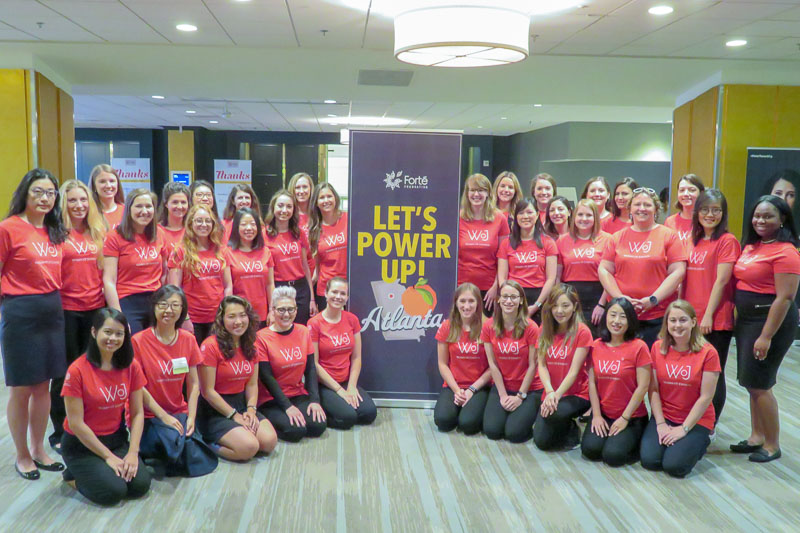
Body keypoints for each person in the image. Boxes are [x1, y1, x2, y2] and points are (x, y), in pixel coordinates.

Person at [0, 168, 68, 480]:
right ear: (25, 193)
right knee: (21, 388)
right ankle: (22, 454)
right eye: (38, 192)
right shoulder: (9, 228)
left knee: (45, 386)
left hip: (52, 310)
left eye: (50, 193)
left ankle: (39, 449)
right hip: (20, 311)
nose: (44, 198)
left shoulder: (55, 230)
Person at [730, 195, 800, 463]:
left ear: (782, 219)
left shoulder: (787, 252)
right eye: (757, 215)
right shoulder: (752, 246)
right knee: (751, 382)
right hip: (748, 322)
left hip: (769, 323)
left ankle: (772, 444)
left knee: (761, 384)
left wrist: (766, 336)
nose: (760, 220)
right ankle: (756, 436)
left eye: (768, 216)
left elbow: (784, 298)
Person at [60, 308, 151, 504]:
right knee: (113, 492)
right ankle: (72, 476)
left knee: (139, 486)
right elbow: (76, 423)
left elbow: (137, 413)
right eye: (107, 332)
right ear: (94, 332)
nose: (113, 338)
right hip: (82, 445)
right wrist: (108, 457)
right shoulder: (77, 370)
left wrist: (133, 452)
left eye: (119, 334)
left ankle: (100, 470)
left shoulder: (131, 366)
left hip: (116, 440)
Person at [132, 286, 215, 476]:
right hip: (148, 415)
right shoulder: (138, 341)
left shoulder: (188, 340)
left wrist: (192, 416)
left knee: (183, 438)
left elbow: (194, 384)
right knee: (179, 442)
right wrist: (163, 416)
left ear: (182, 310)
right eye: (163, 304)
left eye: (175, 305)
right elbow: (138, 387)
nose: (168, 310)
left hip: (179, 412)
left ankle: (167, 455)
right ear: (154, 307)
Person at [50, 179, 106, 452]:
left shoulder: (98, 231)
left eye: (83, 200)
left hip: (95, 309)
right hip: (67, 311)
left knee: (93, 370)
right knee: (66, 373)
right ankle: (60, 429)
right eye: (72, 200)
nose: (79, 205)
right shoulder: (57, 234)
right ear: (64, 203)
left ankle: (89, 424)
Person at [599, 187, 687, 347]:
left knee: (654, 366)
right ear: (630, 209)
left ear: (656, 209)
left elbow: (678, 271)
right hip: (622, 316)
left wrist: (653, 299)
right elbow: (605, 269)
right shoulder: (616, 238)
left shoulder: (669, 236)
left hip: (657, 315)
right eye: (637, 205)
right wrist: (620, 298)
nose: (642, 209)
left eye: (647, 205)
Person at [640, 300, 720, 478]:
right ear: (666, 323)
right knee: (650, 461)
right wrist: (660, 423)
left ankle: (702, 440)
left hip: (695, 420)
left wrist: (683, 429)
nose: (677, 325)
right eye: (673, 320)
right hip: (666, 416)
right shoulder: (657, 348)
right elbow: (653, 390)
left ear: (693, 322)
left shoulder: (708, 353)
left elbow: (706, 397)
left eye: (683, 320)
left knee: (674, 467)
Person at [683, 189, 739, 428]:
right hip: (689, 318)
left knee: (713, 374)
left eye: (716, 210)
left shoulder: (727, 241)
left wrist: (707, 315)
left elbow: (722, 281)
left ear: (723, 213)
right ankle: (695, 420)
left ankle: (710, 425)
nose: (710, 214)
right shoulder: (692, 240)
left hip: (714, 320)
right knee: (693, 372)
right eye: (705, 209)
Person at [197, 296, 278, 461]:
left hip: (241, 404)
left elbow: (252, 384)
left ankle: (240, 434)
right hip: (216, 409)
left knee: (269, 442)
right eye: (231, 316)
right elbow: (207, 392)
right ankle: (207, 444)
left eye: (242, 315)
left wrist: (251, 410)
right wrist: (234, 416)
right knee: (249, 448)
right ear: (222, 319)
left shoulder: (251, 344)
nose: (238, 321)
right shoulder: (210, 346)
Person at [581, 297, 651, 466]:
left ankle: (638, 439)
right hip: (604, 414)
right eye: (613, 315)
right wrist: (596, 415)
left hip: (631, 416)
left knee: (613, 456)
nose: (616, 321)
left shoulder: (639, 347)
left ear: (630, 321)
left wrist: (625, 418)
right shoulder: (597, 346)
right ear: (606, 317)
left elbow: (643, 387)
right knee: (591, 451)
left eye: (623, 317)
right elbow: (592, 383)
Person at [256, 286, 327, 442]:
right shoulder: (261, 337)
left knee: (318, 426)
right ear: (272, 310)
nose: (286, 314)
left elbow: (310, 370)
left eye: (291, 309)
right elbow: (266, 377)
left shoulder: (303, 331)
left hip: (297, 394)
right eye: (281, 310)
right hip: (271, 399)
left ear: (296, 310)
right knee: (295, 431)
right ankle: (267, 420)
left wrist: (315, 401)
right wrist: (287, 407)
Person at [309, 277, 377, 429]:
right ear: (326, 294)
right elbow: (314, 364)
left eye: (342, 293)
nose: (338, 297)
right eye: (334, 292)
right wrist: (339, 390)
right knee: (347, 418)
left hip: (346, 381)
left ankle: (340, 407)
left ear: (347, 297)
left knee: (369, 413)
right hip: (325, 384)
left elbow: (357, 357)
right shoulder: (314, 324)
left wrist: (351, 387)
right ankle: (325, 411)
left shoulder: (352, 320)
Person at [533, 284, 593, 450]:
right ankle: (565, 424)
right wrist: (550, 392)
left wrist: (556, 395)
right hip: (552, 392)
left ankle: (572, 428)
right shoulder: (544, 329)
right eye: (555, 306)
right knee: (541, 442)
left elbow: (574, 372)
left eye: (565, 305)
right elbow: (542, 366)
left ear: (574, 307)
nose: (559, 310)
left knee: (555, 416)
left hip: (577, 394)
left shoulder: (582, 332)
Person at [481, 281, 541, 443]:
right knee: (492, 431)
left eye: (513, 297)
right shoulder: (488, 326)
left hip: (530, 389)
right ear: (498, 299)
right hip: (503, 386)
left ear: (521, 300)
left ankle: (533, 417)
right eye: (505, 296)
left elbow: (533, 365)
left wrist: (520, 397)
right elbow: (492, 364)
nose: (509, 301)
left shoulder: (531, 327)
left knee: (514, 434)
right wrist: (502, 395)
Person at [103, 188, 167, 334]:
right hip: (128, 301)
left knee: (155, 349)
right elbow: (109, 280)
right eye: (138, 206)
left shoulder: (159, 233)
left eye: (148, 206)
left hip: (156, 301)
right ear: (128, 209)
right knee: (134, 349)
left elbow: (164, 273)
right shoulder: (115, 237)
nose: (144, 211)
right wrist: (118, 315)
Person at [168, 204, 233, 345]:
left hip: (217, 317)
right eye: (199, 221)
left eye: (207, 221)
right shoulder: (180, 251)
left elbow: (228, 286)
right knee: (192, 361)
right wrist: (184, 318)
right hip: (191, 318)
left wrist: (226, 313)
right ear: (191, 224)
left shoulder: (221, 250)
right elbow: (174, 290)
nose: (204, 224)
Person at [433, 282, 490, 434]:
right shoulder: (447, 326)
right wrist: (457, 390)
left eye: (471, 301)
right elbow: (442, 364)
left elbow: (493, 367)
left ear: (478, 303)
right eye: (462, 301)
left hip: (479, 387)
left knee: (468, 425)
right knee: (443, 421)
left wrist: (471, 390)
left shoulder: (488, 328)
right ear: (456, 303)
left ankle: (470, 410)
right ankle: (459, 406)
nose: (467, 306)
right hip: (454, 385)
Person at [497, 197, 557, 322]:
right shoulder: (506, 243)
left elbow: (551, 278)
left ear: (537, 215)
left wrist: (537, 305)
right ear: (516, 217)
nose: (525, 216)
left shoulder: (548, 242)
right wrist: (509, 299)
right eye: (521, 213)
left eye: (529, 212)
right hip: (513, 298)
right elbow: (502, 278)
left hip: (539, 298)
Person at [457, 173, 510, 316]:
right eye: (472, 190)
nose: (476, 194)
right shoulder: (458, 218)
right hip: (462, 287)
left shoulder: (500, 219)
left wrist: (496, 287)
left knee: (485, 333)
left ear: (488, 193)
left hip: (489, 290)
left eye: (481, 190)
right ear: (467, 193)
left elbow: (504, 257)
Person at [264, 189, 317, 325]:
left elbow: (305, 265)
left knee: (300, 329)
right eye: (280, 205)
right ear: (273, 207)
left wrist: (311, 298)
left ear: (294, 210)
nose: (284, 210)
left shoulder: (298, 233)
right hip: (278, 288)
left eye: (289, 206)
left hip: (301, 289)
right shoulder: (264, 235)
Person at [557, 200, 611, 333]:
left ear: (595, 218)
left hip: (597, 298)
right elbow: (557, 277)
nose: (584, 219)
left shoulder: (607, 240)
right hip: (570, 297)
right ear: (574, 216)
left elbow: (611, 276)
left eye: (588, 215)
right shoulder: (562, 240)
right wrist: (561, 303)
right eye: (580, 215)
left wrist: (601, 305)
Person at [228, 207, 275, 328]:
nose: (249, 228)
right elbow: (228, 287)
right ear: (236, 227)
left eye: (253, 224)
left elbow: (270, 284)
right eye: (244, 224)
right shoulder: (228, 253)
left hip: (262, 314)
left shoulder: (266, 252)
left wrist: (272, 310)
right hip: (239, 315)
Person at [308, 183, 347, 312]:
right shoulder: (314, 230)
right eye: (322, 198)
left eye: (329, 196)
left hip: (349, 287)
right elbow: (317, 268)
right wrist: (310, 296)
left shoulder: (348, 219)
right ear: (316, 203)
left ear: (335, 198)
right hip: (326, 290)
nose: (326, 201)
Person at [287, 172, 316, 278]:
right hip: (296, 272)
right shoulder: (288, 215)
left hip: (318, 272)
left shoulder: (318, 214)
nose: (301, 191)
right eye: (297, 188)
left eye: (305, 187)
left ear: (310, 189)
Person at [665, 174, 705, 245]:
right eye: (682, 190)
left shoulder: (706, 220)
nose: (686, 194)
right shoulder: (670, 221)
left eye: (692, 190)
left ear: (701, 193)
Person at [88, 164, 125, 230]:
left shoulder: (127, 211)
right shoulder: (88, 212)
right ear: (94, 186)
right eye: (102, 182)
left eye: (112, 181)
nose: (108, 185)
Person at [157, 182, 190, 253]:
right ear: (166, 204)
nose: (179, 206)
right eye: (175, 202)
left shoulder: (192, 230)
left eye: (183, 202)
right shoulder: (156, 230)